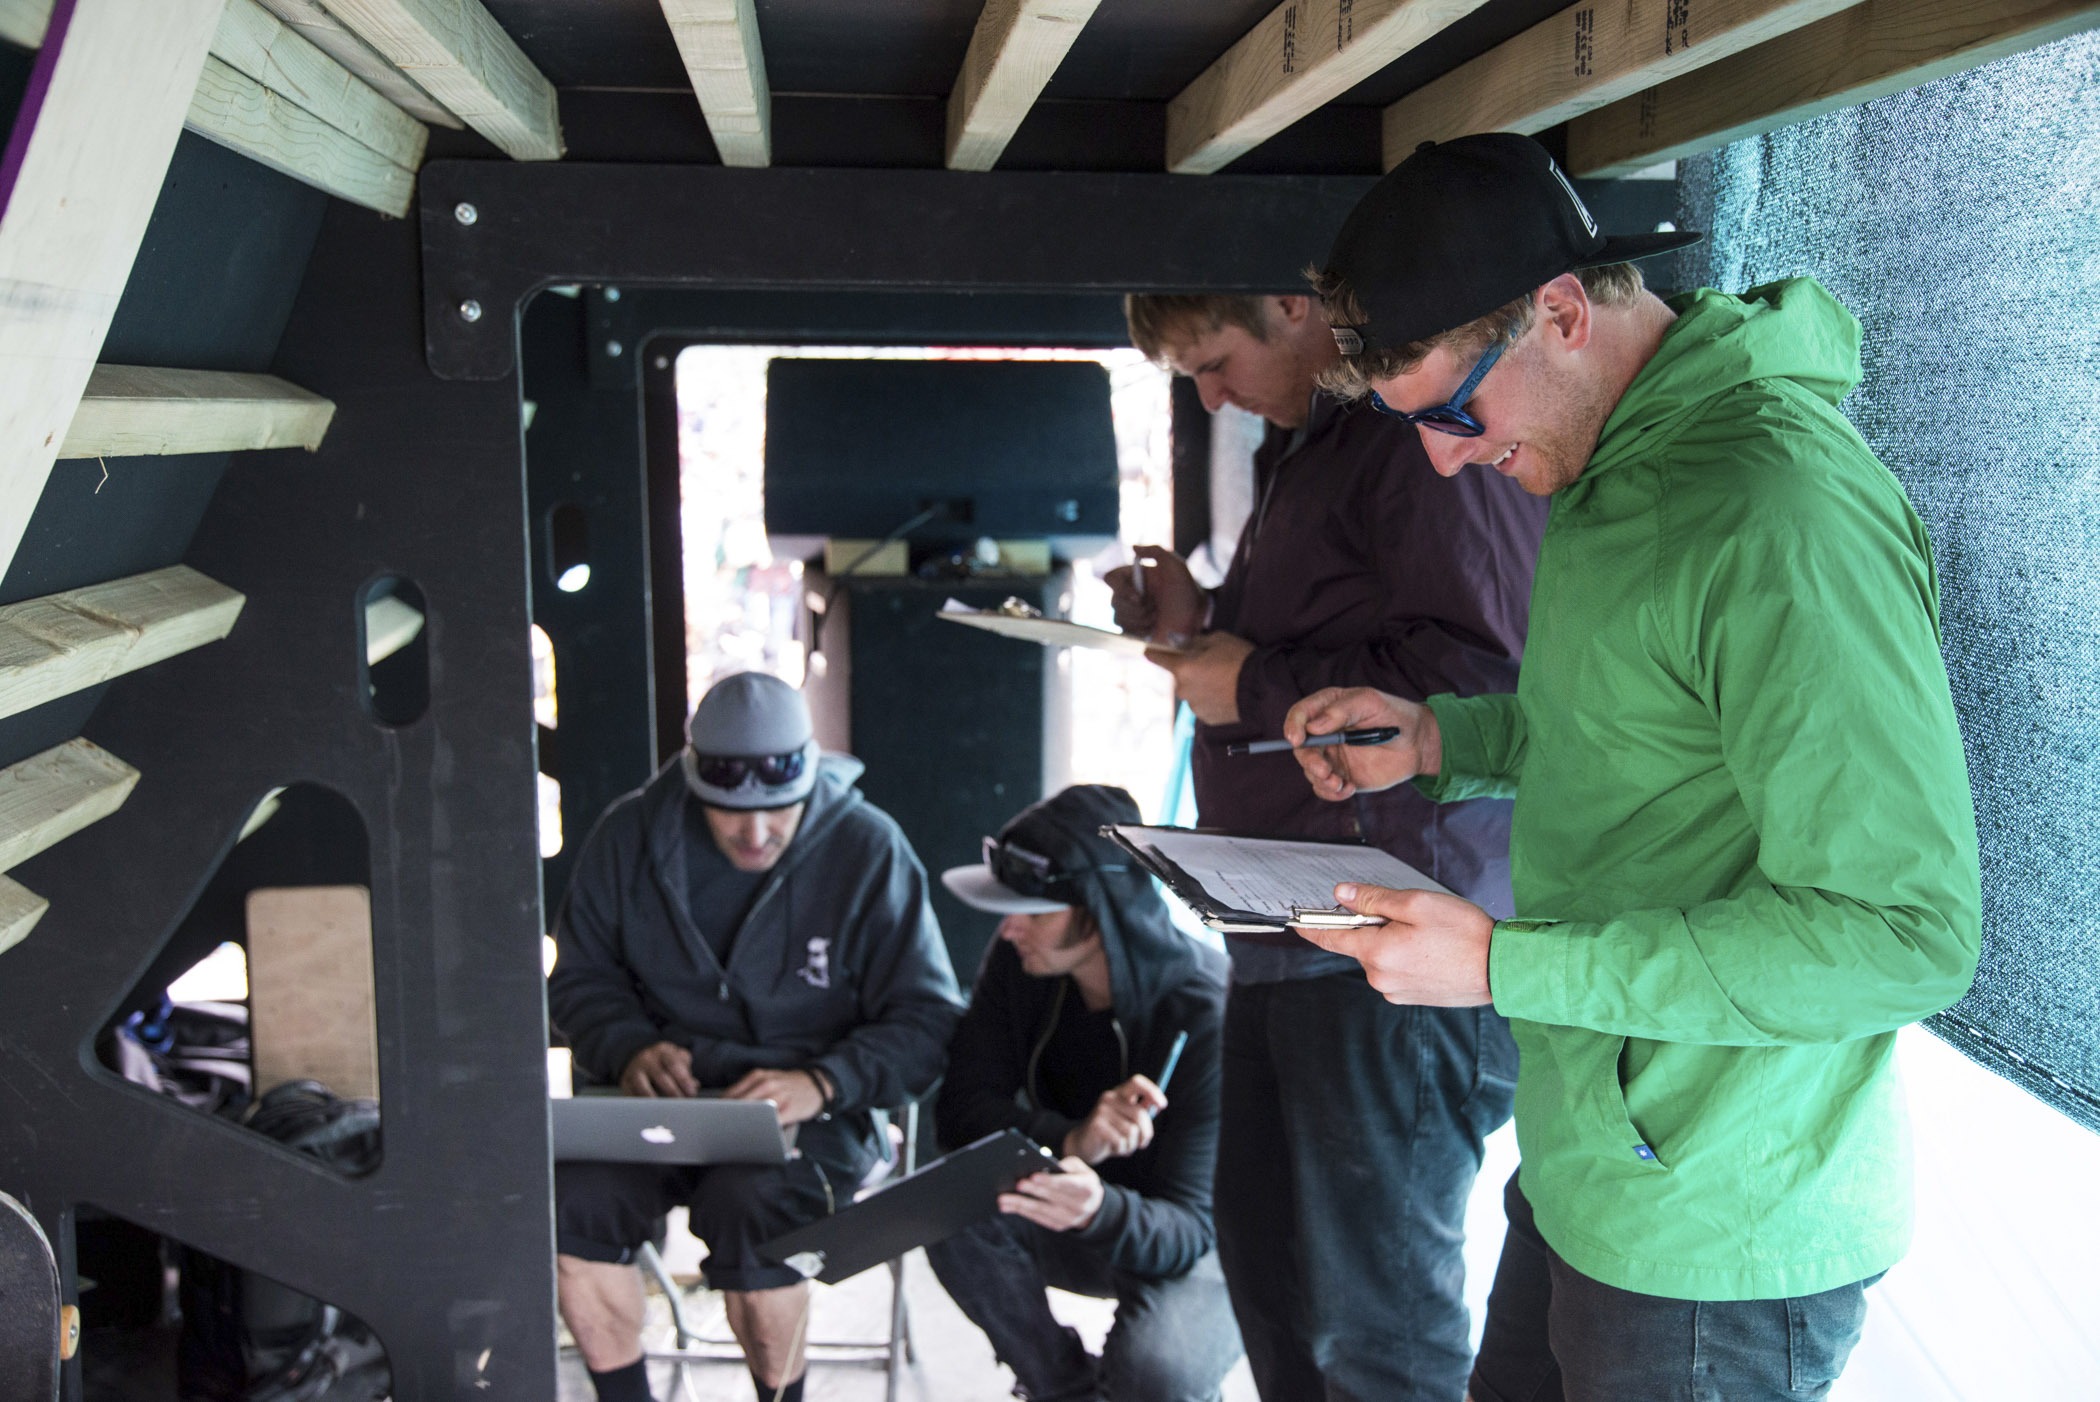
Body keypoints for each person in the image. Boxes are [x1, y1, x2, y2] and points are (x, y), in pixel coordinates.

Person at [1286, 133, 1981, 1402]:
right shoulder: (1606, 463)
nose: (1443, 459)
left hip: (1718, 1226)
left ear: (1560, 313)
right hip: (1591, 1167)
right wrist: (1440, 739)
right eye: (1413, 425)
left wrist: (1505, 966)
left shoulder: (1778, 509)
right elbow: (1629, 734)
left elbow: (1902, 933)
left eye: (1453, 413)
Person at [1109, 290, 1546, 1398]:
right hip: (1286, 926)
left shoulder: (1418, 445)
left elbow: (1490, 678)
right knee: (1278, 1297)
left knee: (1374, 1331)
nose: (1212, 399)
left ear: (1294, 308)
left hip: (1393, 938)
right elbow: (1326, 638)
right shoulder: (1306, 447)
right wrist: (1201, 623)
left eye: (1215, 362)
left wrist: (1253, 682)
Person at [546, 671, 964, 1402]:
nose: (756, 833)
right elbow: (578, 980)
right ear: (692, 779)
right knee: (570, 1205)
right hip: (658, 1104)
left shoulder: (869, 848)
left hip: (814, 1111)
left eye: (779, 810)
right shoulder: (629, 835)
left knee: (754, 1212)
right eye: (731, 814)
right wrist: (628, 1047)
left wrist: (825, 1081)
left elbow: (927, 1020)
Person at [926, 784, 1241, 1402]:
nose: (1009, 927)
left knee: (1155, 1371)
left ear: (1100, 910)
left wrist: (1101, 1209)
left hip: (1199, 1240)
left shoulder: (1205, 1009)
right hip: (1076, 1207)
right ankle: (1065, 1390)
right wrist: (1071, 1140)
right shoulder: (1021, 963)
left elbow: (1191, 1226)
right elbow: (959, 1112)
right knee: (947, 1213)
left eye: (1032, 911)